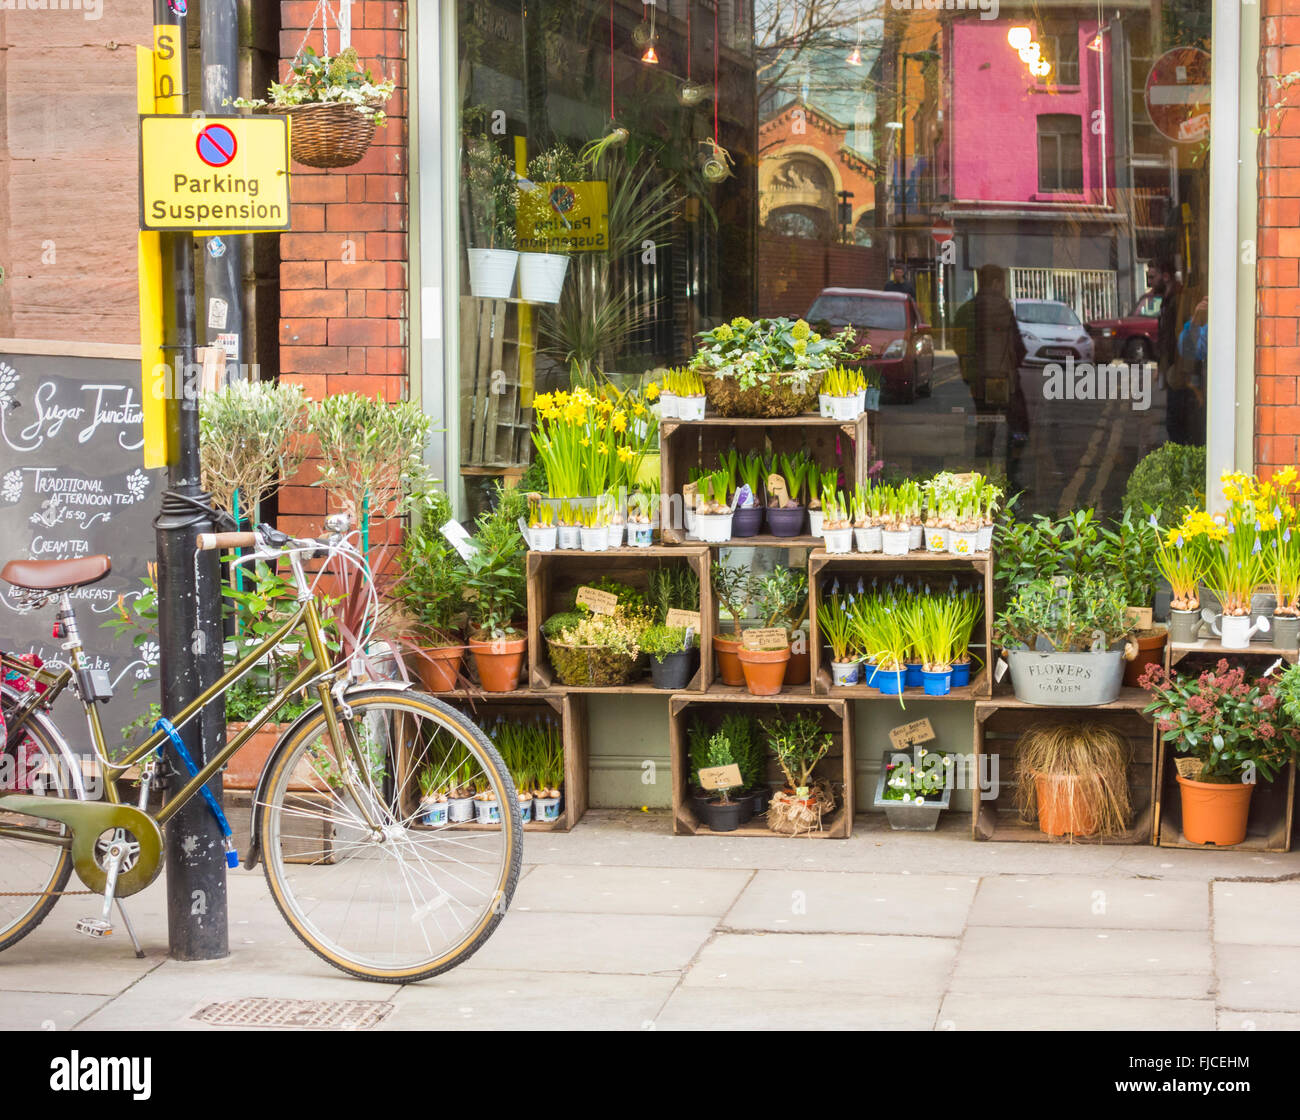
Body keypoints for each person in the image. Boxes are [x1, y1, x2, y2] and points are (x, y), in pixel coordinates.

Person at [957, 264, 1029, 478]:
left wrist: (969, 375)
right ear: (997, 283)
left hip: (979, 380)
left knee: (985, 428)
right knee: (1018, 427)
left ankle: (982, 478)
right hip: (1002, 379)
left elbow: (960, 345)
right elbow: (1017, 346)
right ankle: (1010, 478)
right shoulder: (1002, 307)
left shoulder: (967, 309)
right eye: (1003, 284)